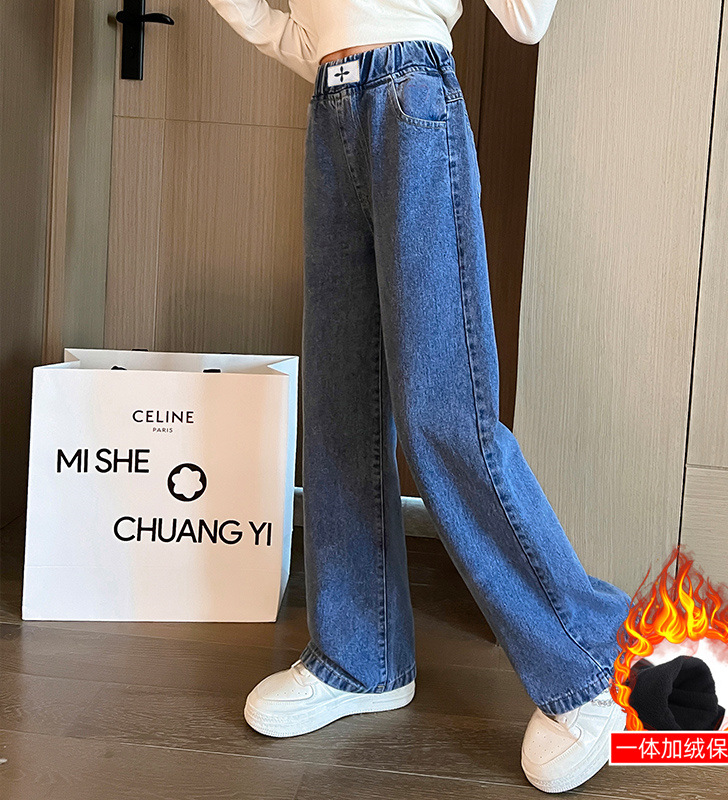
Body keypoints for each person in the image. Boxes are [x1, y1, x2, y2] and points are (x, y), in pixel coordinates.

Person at [206, 0, 632, 792]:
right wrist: (314, 39)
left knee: (444, 410)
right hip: (332, 105)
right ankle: (361, 653)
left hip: (414, 94)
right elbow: (293, 24)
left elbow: (526, 20)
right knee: (340, 402)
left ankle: (590, 669)